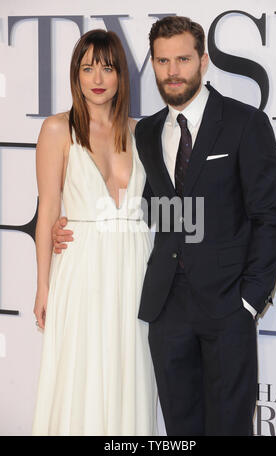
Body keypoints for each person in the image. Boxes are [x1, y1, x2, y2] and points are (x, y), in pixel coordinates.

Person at [53, 17, 276, 436]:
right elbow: (139, 210)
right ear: (153, 65)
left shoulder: (244, 123)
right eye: (162, 61)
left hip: (227, 308)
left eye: (182, 59)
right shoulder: (144, 133)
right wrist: (74, 225)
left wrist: (249, 302)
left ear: (204, 61)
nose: (172, 70)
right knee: (181, 432)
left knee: (230, 428)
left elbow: (270, 219)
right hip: (166, 312)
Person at [32, 29, 157, 436]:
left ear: (121, 75)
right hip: (81, 268)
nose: (97, 78)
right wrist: (43, 287)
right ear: (76, 74)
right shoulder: (56, 129)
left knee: (129, 366)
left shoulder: (144, 133)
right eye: (87, 68)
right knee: (80, 371)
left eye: (107, 67)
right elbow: (48, 209)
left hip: (135, 268)